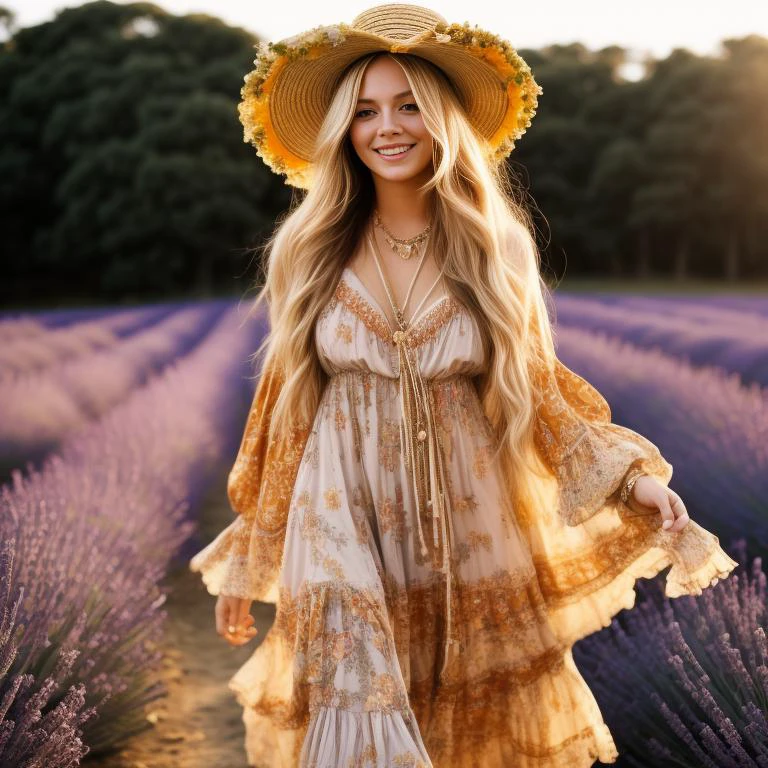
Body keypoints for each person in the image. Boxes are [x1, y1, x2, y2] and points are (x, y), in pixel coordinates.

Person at [189, 4, 739, 766]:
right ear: (343, 131)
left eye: (410, 104)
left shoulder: (494, 247)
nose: (388, 127)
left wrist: (630, 482)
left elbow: (536, 389)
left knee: (467, 726)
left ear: (442, 118)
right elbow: (282, 415)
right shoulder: (307, 251)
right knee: (356, 704)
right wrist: (253, 554)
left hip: (470, 523)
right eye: (366, 111)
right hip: (338, 514)